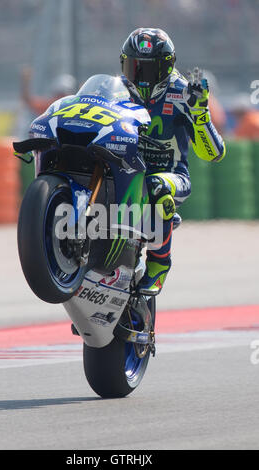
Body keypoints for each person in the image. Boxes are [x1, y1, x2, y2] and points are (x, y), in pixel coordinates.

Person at [120, 28, 226, 295]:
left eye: (148, 70)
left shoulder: (182, 93)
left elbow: (213, 153)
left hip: (170, 176)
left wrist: (200, 117)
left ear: (166, 67)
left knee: (156, 186)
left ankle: (159, 264)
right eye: (135, 69)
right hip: (126, 171)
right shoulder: (116, 90)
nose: (141, 79)